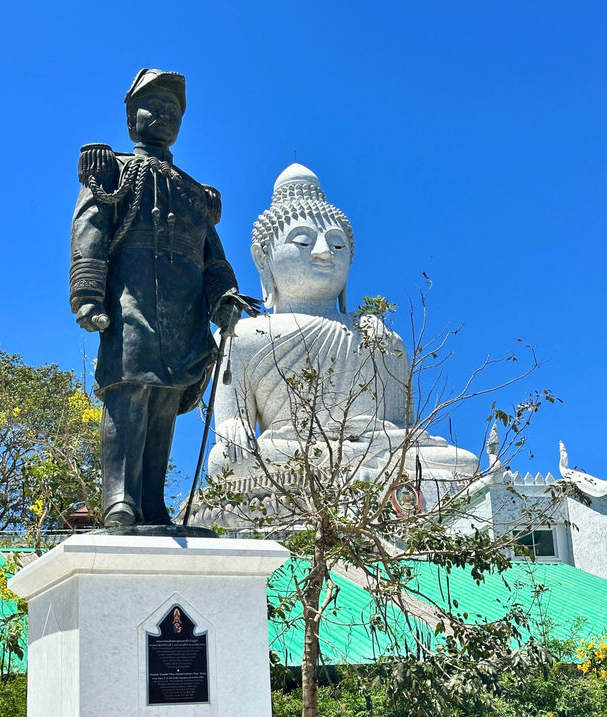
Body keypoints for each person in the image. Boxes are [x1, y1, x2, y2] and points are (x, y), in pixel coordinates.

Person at [207, 163, 479, 507]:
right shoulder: (241, 335)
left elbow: (401, 427)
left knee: (462, 463)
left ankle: (366, 485)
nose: (322, 251)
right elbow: (232, 424)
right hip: (289, 452)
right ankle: (369, 487)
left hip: (375, 453)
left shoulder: (379, 336)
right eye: (303, 241)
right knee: (225, 463)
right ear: (263, 258)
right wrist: (233, 427)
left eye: (336, 245)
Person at [70, 69, 241, 527]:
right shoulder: (114, 171)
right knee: (129, 392)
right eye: (155, 107)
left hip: (183, 314)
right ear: (131, 117)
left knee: (165, 400)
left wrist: (224, 297)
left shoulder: (194, 193)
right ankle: (119, 502)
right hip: (132, 303)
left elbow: (214, 257)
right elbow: (90, 228)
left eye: (174, 112)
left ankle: (152, 502)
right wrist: (88, 294)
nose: (165, 116)